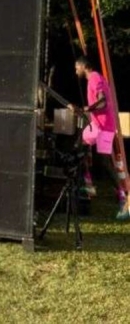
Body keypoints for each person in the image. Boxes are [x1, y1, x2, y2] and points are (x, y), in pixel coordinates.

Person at [68, 56, 129, 220]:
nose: (76, 71)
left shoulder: (94, 78)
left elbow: (102, 103)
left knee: (102, 160)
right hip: (100, 125)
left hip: (104, 126)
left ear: (83, 66)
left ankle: (123, 196)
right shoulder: (94, 78)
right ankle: (90, 184)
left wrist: (88, 108)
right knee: (82, 145)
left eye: (76, 68)